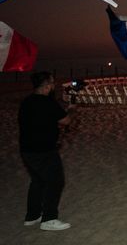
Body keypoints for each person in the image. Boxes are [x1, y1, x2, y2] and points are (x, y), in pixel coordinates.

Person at [18, 71, 73, 231]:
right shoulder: (47, 102)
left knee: (38, 181)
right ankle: (49, 218)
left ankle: (32, 216)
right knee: (55, 182)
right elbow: (66, 120)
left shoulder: (26, 102)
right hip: (44, 150)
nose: (54, 85)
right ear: (47, 85)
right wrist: (72, 109)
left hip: (27, 150)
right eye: (52, 82)